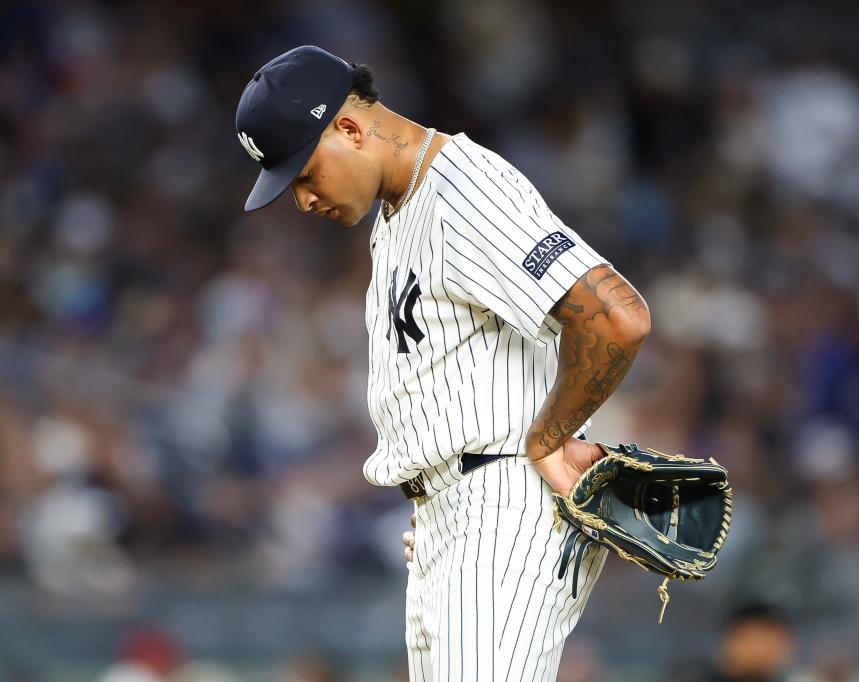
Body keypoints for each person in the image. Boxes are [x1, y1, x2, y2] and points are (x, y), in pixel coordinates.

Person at [236, 45, 652, 681]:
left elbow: (618, 315)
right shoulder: (401, 210)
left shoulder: (463, 190)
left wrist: (547, 440)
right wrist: (435, 501)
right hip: (454, 516)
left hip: (501, 507)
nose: (302, 199)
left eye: (304, 173)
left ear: (347, 128)